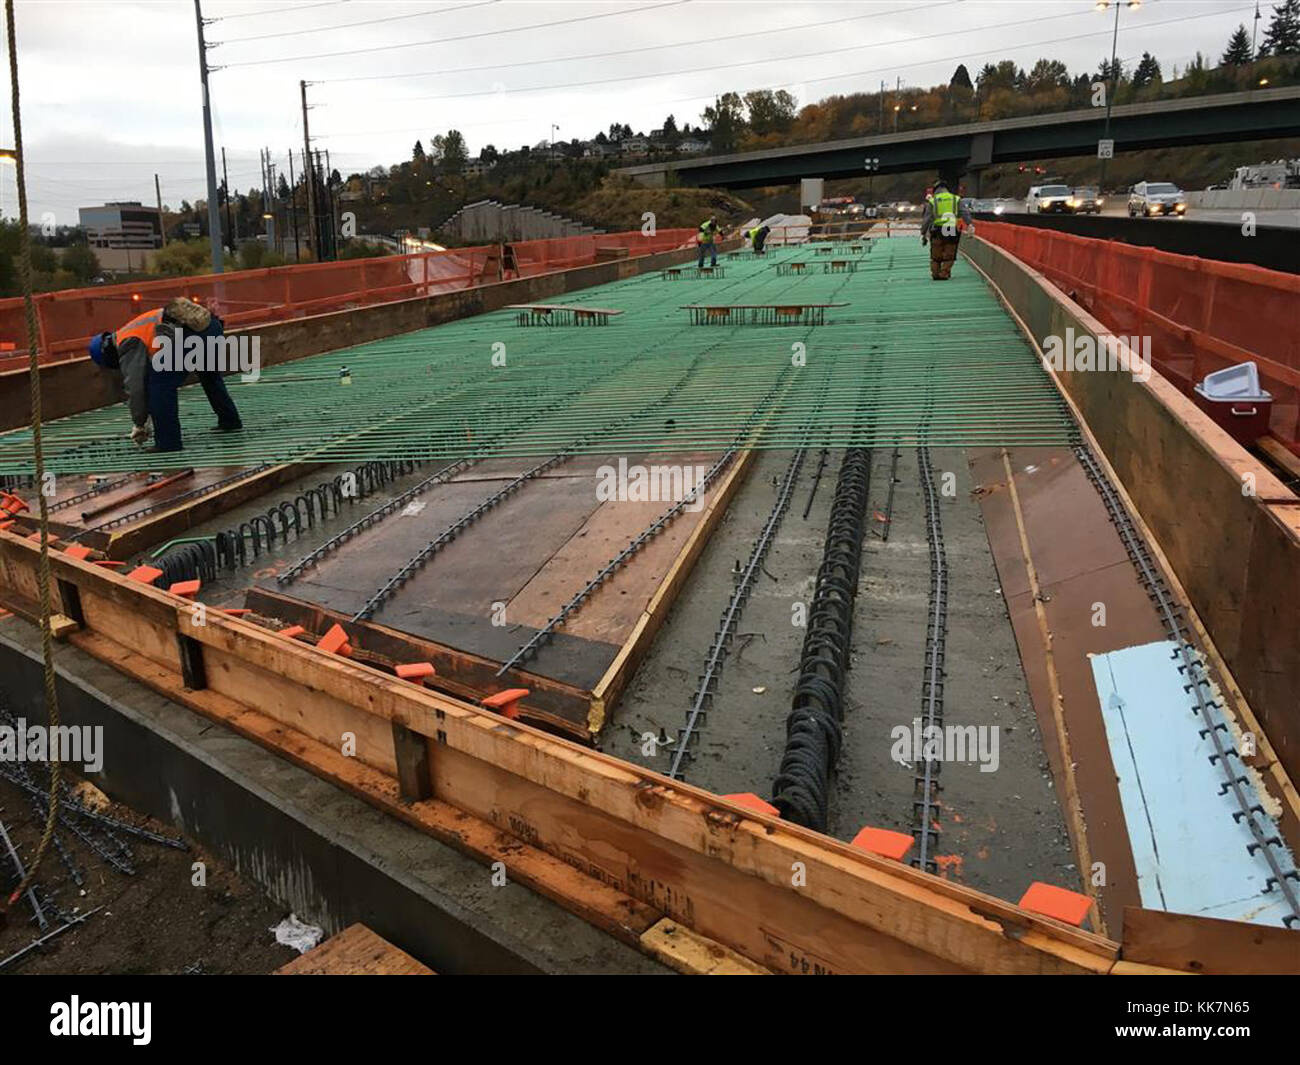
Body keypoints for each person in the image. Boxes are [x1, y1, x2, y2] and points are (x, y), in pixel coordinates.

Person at [88, 297, 242, 453]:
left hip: (190, 334)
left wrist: (140, 423)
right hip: (211, 327)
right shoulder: (133, 328)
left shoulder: (128, 342)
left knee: (160, 387)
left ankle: (168, 442)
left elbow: (136, 388)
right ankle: (230, 421)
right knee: (210, 377)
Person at [920, 178, 974, 281]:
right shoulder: (955, 199)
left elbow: (927, 218)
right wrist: (969, 224)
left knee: (936, 254)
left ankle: (935, 273)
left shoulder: (933, 201)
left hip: (937, 230)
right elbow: (964, 212)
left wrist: (923, 233)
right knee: (950, 253)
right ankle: (944, 272)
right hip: (950, 229)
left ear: (935, 190)